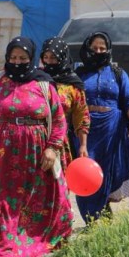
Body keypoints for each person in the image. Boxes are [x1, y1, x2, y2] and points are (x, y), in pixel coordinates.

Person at [0, 36, 73, 257]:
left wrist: (52, 148)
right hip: (1, 155)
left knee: (34, 203)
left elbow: (58, 119)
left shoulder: (44, 84)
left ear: (31, 58)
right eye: (13, 58)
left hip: (36, 156)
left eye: (23, 58)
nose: (17, 62)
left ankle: (35, 247)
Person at [74, 31, 129, 224]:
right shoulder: (78, 73)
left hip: (111, 130)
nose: (98, 51)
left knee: (107, 172)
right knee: (84, 174)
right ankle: (90, 219)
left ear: (108, 50)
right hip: (84, 131)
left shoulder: (117, 73)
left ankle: (102, 211)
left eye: (102, 48)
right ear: (87, 49)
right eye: (94, 48)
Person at [40, 36, 90, 165]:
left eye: (53, 58)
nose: (49, 62)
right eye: (46, 57)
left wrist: (83, 145)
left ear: (62, 58)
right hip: (36, 139)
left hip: (60, 142)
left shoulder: (73, 86)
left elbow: (82, 116)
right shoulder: (36, 80)